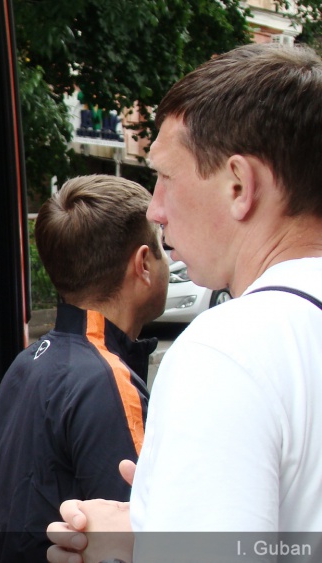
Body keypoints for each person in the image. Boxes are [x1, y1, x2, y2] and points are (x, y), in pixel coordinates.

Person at [46, 42, 322, 563]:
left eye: (166, 177)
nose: (155, 209)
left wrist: (125, 548)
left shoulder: (226, 351)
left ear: (239, 185)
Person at [0, 175, 168, 562]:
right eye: (162, 247)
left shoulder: (28, 361)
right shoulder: (107, 380)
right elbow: (141, 535)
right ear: (143, 264)